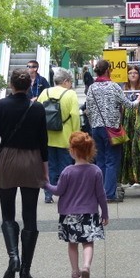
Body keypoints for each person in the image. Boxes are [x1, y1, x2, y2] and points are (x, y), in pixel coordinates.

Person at [0, 68, 49, 278]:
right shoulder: (38, 108)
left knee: (7, 214)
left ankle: (13, 256)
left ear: (11, 85)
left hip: (7, 160)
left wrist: (4, 153)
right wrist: (45, 169)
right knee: (30, 214)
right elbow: (43, 143)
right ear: (29, 86)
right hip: (32, 160)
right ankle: (25, 270)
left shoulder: (2, 105)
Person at [44, 131, 109, 278]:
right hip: (89, 213)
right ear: (90, 151)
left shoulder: (67, 172)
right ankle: (86, 266)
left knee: (72, 243)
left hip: (69, 214)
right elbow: (101, 195)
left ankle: (75, 271)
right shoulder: (96, 171)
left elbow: (58, 191)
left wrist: (45, 184)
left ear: (72, 151)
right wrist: (104, 213)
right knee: (88, 242)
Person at [85, 60, 140, 202]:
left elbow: (88, 110)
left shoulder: (91, 88)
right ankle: (109, 194)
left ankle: (100, 192)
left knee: (100, 161)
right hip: (111, 129)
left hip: (96, 129)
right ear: (107, 71)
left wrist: (94, 124)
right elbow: (128, 105)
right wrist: (138, 100)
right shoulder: (114, 87)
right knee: (112, 161)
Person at [36, 69, 80, 203]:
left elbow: (37, 111)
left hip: (47, 138)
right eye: (70, 82)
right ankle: (65, 193)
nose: (71, 84)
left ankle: (48, 194)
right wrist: (76, 135)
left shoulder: (45, 92)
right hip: (65, 138)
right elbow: (75, 116)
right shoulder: (70, 94)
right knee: (65, 167)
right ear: (65, 81)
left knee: (49, 167)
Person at [120, 65, 140, 186]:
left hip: (139, 125)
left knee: (138, 150)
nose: (133, 75)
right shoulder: (122, 90)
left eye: (135, 73)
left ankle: (139, 177)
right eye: (130, 72)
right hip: (126, 124)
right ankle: (128, 178)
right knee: (126, 150)